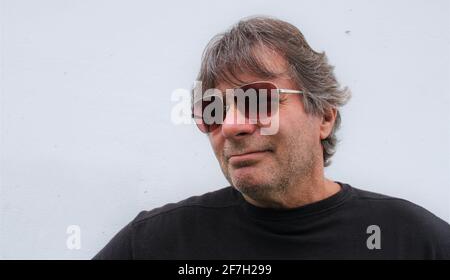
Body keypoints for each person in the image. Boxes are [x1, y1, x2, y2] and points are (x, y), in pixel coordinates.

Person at [93, 16, 450, 259]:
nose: (232, 126)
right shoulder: (158, 243)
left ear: (324, 116)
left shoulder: (413, 240)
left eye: (258, 101)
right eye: (213, 110)